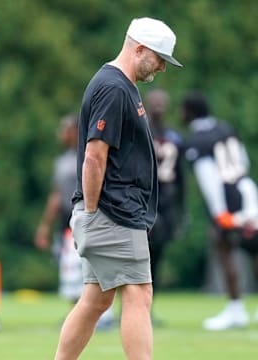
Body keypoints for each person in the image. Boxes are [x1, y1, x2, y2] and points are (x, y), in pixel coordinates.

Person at [54, 17, 182, 360]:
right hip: (114, 212)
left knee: (96, 299)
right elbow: (94, 157)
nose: (161, 69)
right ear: (139, 48)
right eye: (159, 59)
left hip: (113, 210)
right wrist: (92, 213)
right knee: (139, 294)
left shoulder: (122, 85)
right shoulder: (113, 87)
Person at [182, 91, 258, 330]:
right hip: (247, 188)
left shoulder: (196, 139)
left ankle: (236, 309)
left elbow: (209, 179)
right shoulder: (225, 128)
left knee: (222, 246)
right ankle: (238, 309)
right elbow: (242, 162)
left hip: (228, 199)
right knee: (255, 249)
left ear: (190, 112)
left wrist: (220, 213)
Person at [35, 114, 114, 330]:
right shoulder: (61, 161)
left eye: (65, 129)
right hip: (67, 220)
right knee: (71, 268)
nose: (61, 133)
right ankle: (77, 314)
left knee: (96, 265)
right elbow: (56, 195)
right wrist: (45, 225)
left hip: (90, 216)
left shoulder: (90, 155)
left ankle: (103, 315)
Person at [144, 88, 186, 324]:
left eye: (162, 102)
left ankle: (147, 309)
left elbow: (181, 178)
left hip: (166, 204)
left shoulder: (174, 136)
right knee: (137, 259)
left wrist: (182, 211)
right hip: (143, 201)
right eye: (155, 102)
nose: (159, 106)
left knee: (156, 260)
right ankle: (129, 310)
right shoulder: (140, 130)